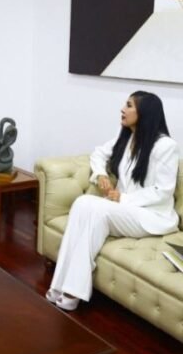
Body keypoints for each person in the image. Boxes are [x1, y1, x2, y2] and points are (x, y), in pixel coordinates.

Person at [46, 91, 179, 311]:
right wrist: (100, 175)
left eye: (129, 106)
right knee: (82, 202)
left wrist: (123, 197)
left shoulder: (165, 146)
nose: (122, 109)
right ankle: (61, 286)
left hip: (151, 215)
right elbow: (98, 154)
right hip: (124, 210)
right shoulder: (126, 135)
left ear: (144, 113)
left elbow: (163, 191)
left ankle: (72, 291)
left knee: (96, 209)